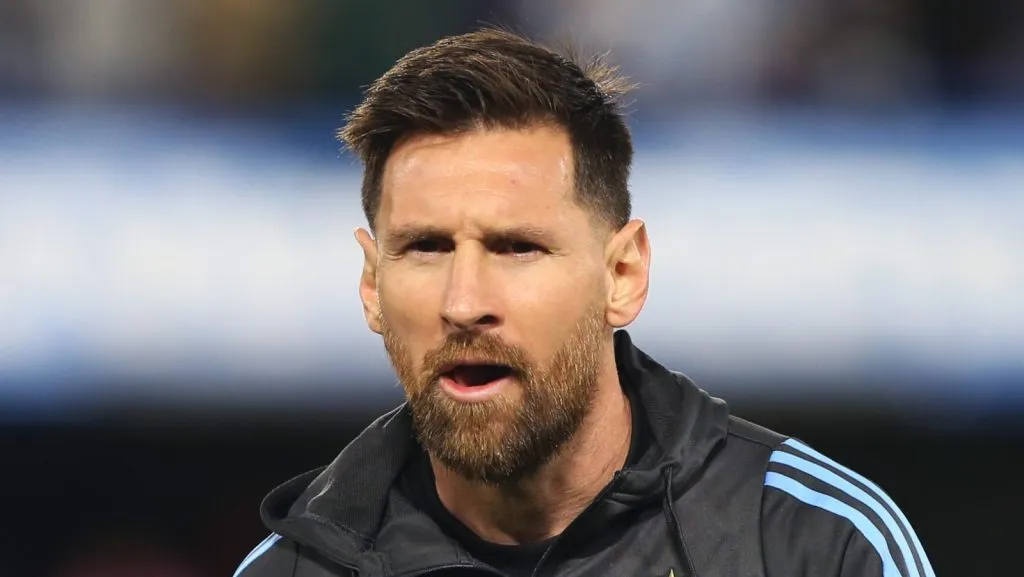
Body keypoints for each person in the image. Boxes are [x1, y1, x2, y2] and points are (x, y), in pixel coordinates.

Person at [233, 28, 934, 577]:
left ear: (622, 273)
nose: (464, 301)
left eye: (516, 247)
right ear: (371, 285)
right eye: (426, 247)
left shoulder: (815, 543)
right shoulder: (296, 567)